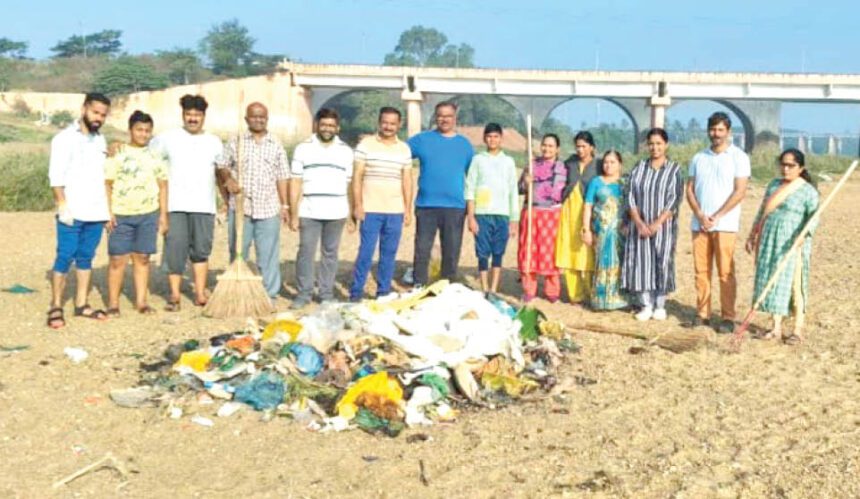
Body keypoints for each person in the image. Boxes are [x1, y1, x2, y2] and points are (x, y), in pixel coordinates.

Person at [151, 94, 224, 311]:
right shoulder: (167, 138)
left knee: (201, 250)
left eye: (197, 115)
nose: (193, 118)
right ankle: (174, 294)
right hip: (175, 205)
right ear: (183, 115)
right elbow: (148, 155)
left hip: (204, 205)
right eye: (189, 114)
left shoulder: (214, 141)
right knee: (175, 249)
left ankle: (200, 293)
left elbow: (221, 173)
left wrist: (225, 200)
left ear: (203, 116)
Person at [46, 92, 112, 328]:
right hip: (72, 210)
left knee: (86, 257)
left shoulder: (100, 140)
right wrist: (62, 205)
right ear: (84, 109)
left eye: (103, 115)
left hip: (96, 210)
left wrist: (107, 212)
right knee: (65, 256)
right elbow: (55, 176)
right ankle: (55, 305)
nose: (99, 118)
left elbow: (104, 177)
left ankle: (81, 304)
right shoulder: (63, 139)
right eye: (95, 112)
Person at [217, 102, 290, 302]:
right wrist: (228, 179)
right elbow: (222, 165)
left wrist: (285, 205)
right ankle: (238, 291)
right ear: (246, 119)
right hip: (241, 207)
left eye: (262, 117)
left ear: (267, 119)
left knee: (268, 255)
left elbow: (282, 176)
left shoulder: (275, 143)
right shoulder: (236, 141)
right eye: (254, 116)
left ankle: (269, 294)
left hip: (268, 208)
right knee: (238, 251)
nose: (258, 120)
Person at [745, 149, 819, 344]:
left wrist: (804, 235)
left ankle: (797, 329)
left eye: (791, 166)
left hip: (793, 243)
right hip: (770, 240)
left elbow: (814, 218)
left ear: (801, 168)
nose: (786, 169)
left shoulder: (808, 191)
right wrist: (753, 234)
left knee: (794, 284)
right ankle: (775, 327)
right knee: (773, 281)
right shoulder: (774, 185)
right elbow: (763, 211)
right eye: (783, 165)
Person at [686, 112, 751, 333]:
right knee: (701, 271)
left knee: (725, 271)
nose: (716, 134)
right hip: (700, 224)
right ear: (708, 131)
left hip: (725, 224)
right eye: (713, 129)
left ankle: (727, 316)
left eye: (720, 130)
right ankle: (702, 313)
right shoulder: (698, 158)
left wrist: (718, 215)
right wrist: (700, 214)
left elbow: (740, 190)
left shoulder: (738, 157)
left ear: (728, 132)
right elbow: (690, 189)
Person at [104, 110, 168, 316]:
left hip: (148, 213)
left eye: (147, 131)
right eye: (139, 130)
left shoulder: (155, 156)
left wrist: (163, 215)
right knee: (117, 259)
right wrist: (108, 212)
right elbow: (107, 183)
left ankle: (141, 301)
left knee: (142, 258)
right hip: (121, 214)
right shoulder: (118, 153)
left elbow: (163, 185)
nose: (143, 134)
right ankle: (113, 303)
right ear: (130, 130)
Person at [289, 108, 355, 309]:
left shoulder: (345, 150)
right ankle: (304, 293)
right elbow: (296, 182)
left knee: (330, 253)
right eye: (324, 124)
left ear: (338, 128)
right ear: (317, 125)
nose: (327, 129)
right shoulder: (303, 148)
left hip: (336, 211)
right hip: (309, 210)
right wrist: (293, 213)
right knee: (306, 252)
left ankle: (325, 293)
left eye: (331, 126)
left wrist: (352, 214)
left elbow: (349, 184)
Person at [349, 107, 413, 301]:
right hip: (370, 209)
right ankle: (356, 293)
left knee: (388, 254)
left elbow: (407, 181)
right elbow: (357, 176)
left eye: (393, 123)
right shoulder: (366, 145)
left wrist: (408, 209)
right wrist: (358, 205)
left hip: (394, 210)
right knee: (366, 253)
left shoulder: (404, 149)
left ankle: (383, 293)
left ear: (399, 125)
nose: (388, 126)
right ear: (379, 122)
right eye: (385, 122)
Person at [408, 101, 474, 287]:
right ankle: (418, 285)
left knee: (451, 251)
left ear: (455, 118)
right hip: (426, 206)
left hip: (455, 207)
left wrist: (473, 211)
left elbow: (474, 179)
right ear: (435, 117)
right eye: (440, 115)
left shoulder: (465, 145)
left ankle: (447, 286)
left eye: (448, 116)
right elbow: (398, 154)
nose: (444, 119)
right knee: (422, 249)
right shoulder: (422, 140)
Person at [622, 128, 684, 321]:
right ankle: (645, 304)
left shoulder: (673, 170)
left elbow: (674, 199)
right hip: (639, 226)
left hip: (663, 227)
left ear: (666, 145)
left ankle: (660, 304)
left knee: (662, 262)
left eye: (658, 143)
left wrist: (657, 223)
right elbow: (629, 195)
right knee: (642, 263)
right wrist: (639, 223)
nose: (655, 147)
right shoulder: (639, 168)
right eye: (651, 144)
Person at [465, 123, 519, 295]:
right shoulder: (478, 160)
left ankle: (493, 289)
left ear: (501, 139)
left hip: (502, 215)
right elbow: (470, 188)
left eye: (496, 136)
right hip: (482, 214)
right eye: (489, 136)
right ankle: (484, 287)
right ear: (484, 138)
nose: (492, 140)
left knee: (498, 252)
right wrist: (471, 216)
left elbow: (513, 191)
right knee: (482, 252)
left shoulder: (508, 162)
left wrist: (514, 219)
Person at [518, 134, 567, 303]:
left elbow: (561, 193)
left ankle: (552, 291)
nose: (547, 149)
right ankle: (529, 289)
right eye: (544, 145)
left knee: (550, 253)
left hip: (551, 215)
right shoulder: (531, 165)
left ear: (557, 149)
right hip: (531, 212)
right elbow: (520, 188)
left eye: (551, 146)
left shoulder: (561, 168)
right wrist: (526, 181)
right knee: (529, 250)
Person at [555, 131, 598, 304]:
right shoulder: (570, 163)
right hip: (569, 212)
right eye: (578, 146)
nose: (580, 150)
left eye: (584, 146)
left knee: (587, 252)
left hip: (589, 213)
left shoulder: (599, 165)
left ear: (592, 147)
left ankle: (590, 291)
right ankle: (575, 294)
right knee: (570, 251)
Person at [581, 150, 627, 311]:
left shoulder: (625, 183)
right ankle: (601, 299)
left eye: (613, 162)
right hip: (601, 230)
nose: (608, 165)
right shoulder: (596, 182)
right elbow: (588, 206)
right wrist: (586, 229)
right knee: (602, 262)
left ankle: (618, 298)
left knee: (619, 262)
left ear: (620, 164)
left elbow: (632, 207)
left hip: (620, 231)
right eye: (606, 162)